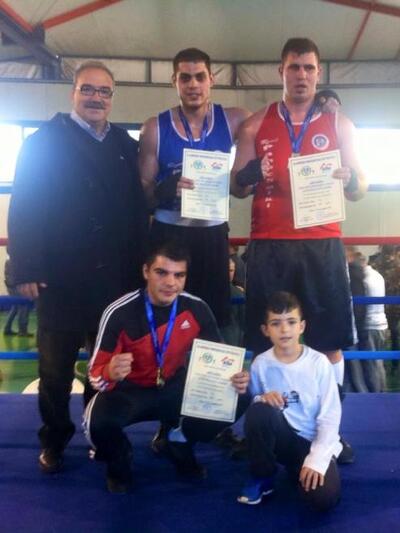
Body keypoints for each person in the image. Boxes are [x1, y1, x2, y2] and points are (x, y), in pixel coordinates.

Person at [7, 60, 149, 474]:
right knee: (54, 370)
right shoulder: (43, 141)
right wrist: (25, 267)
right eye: (88, 89)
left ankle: (98, 433)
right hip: (60, 277)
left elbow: (138, 210)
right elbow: (24, 205)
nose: (95, 98)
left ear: (112, 98)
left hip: (112, 278)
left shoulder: (125, 145)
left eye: (104, 91)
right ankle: (54, 439)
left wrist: (141, 269)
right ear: (73, 92)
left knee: (104, 369)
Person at [230, 38, 367, 435]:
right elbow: (237, 188)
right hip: (269, 243)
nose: (302, 75)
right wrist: (247, 175)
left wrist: (350, 179)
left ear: (318, 73)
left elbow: (360, 187)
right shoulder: (255, 124)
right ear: (282, 71)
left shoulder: (339, 124)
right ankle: (266, 428)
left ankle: (330, 432)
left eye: (309, 68)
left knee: (329, 342)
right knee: (265, 339)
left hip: (322, 243)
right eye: (294, 67)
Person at [84, 242, 250, 493]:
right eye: (162, 273)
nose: (170, 282)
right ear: (146, 271)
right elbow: (95, 376)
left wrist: (235, 378)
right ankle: (120, 456)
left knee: (240, 396)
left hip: (174, 387)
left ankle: (179, 439)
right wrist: (109, 372)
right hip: (129, 391)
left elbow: (220, 361)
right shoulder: (119, 312)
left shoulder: (196, 308)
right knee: (96, 425)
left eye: (179, 275)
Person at [139, 47, 251, 328]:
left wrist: (325, 103)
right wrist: (163, 190)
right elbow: (142, 196)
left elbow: (275, 122)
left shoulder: (234, 119)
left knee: (212, 319)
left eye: (200, 77)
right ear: (174, 81)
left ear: (211, 79)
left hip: (212, 234)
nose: (193, 85)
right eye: (185, 78)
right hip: (169, 232)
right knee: (165, 317)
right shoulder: (155, 128)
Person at [238, 292, 342, 512]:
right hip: (283, 440)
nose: (284, 330)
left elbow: (330, 415)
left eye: (291, 322)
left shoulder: (319, 363)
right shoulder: (260, 364)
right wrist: (260, 398)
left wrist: (316, 459)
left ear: (301, 326)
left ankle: (313, 462)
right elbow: (255, 410)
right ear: (266, 330)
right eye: (276, 323)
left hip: (310, 441)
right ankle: (262, 476)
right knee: (259, 411)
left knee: (323, 500)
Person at [359, 253, 388, 391]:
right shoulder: (378, 275)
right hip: (382, 323)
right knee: (378, 361)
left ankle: (377, 392)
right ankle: (382, 391)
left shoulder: (364, 279)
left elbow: (361, 306)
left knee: (372, 363)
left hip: (370, 324)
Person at [3, 256, 34, 337]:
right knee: (24, 307)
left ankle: (7, 329)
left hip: (12, 287)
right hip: (16, 287)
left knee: (15, 308)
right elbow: (18, 276)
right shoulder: (15, 262)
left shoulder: (9, 261)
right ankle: (22, 331)